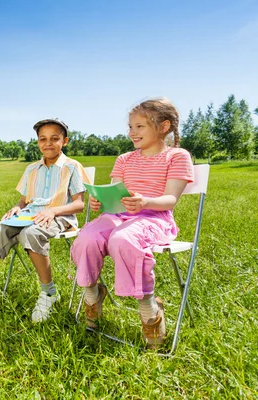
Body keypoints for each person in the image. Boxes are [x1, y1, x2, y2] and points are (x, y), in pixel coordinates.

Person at [71, 98, 194, 349]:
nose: (132, 133)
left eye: (139, 126)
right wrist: (100, 203)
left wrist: (145, 201)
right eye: (130, 127)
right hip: (118, 216)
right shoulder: (125, 159)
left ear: (164, 126)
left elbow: (170, 200)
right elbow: (114, 194)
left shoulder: (177, 156)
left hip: (153, 218)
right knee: (86, 238)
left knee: (123, 239)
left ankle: (150, 311)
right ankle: (92, 296)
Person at [0, 118, 88, 324]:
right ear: (38, 142)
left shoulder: (72, 167)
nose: (48, 143)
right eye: (43, 139)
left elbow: (79, 204)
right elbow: (23, 201)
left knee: (30, 233)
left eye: (54, 139)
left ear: (64, 141)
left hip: (59, 216)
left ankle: (49, 292)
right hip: (28, 215)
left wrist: (52, 211)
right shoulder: (31, 169)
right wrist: (16, 208)